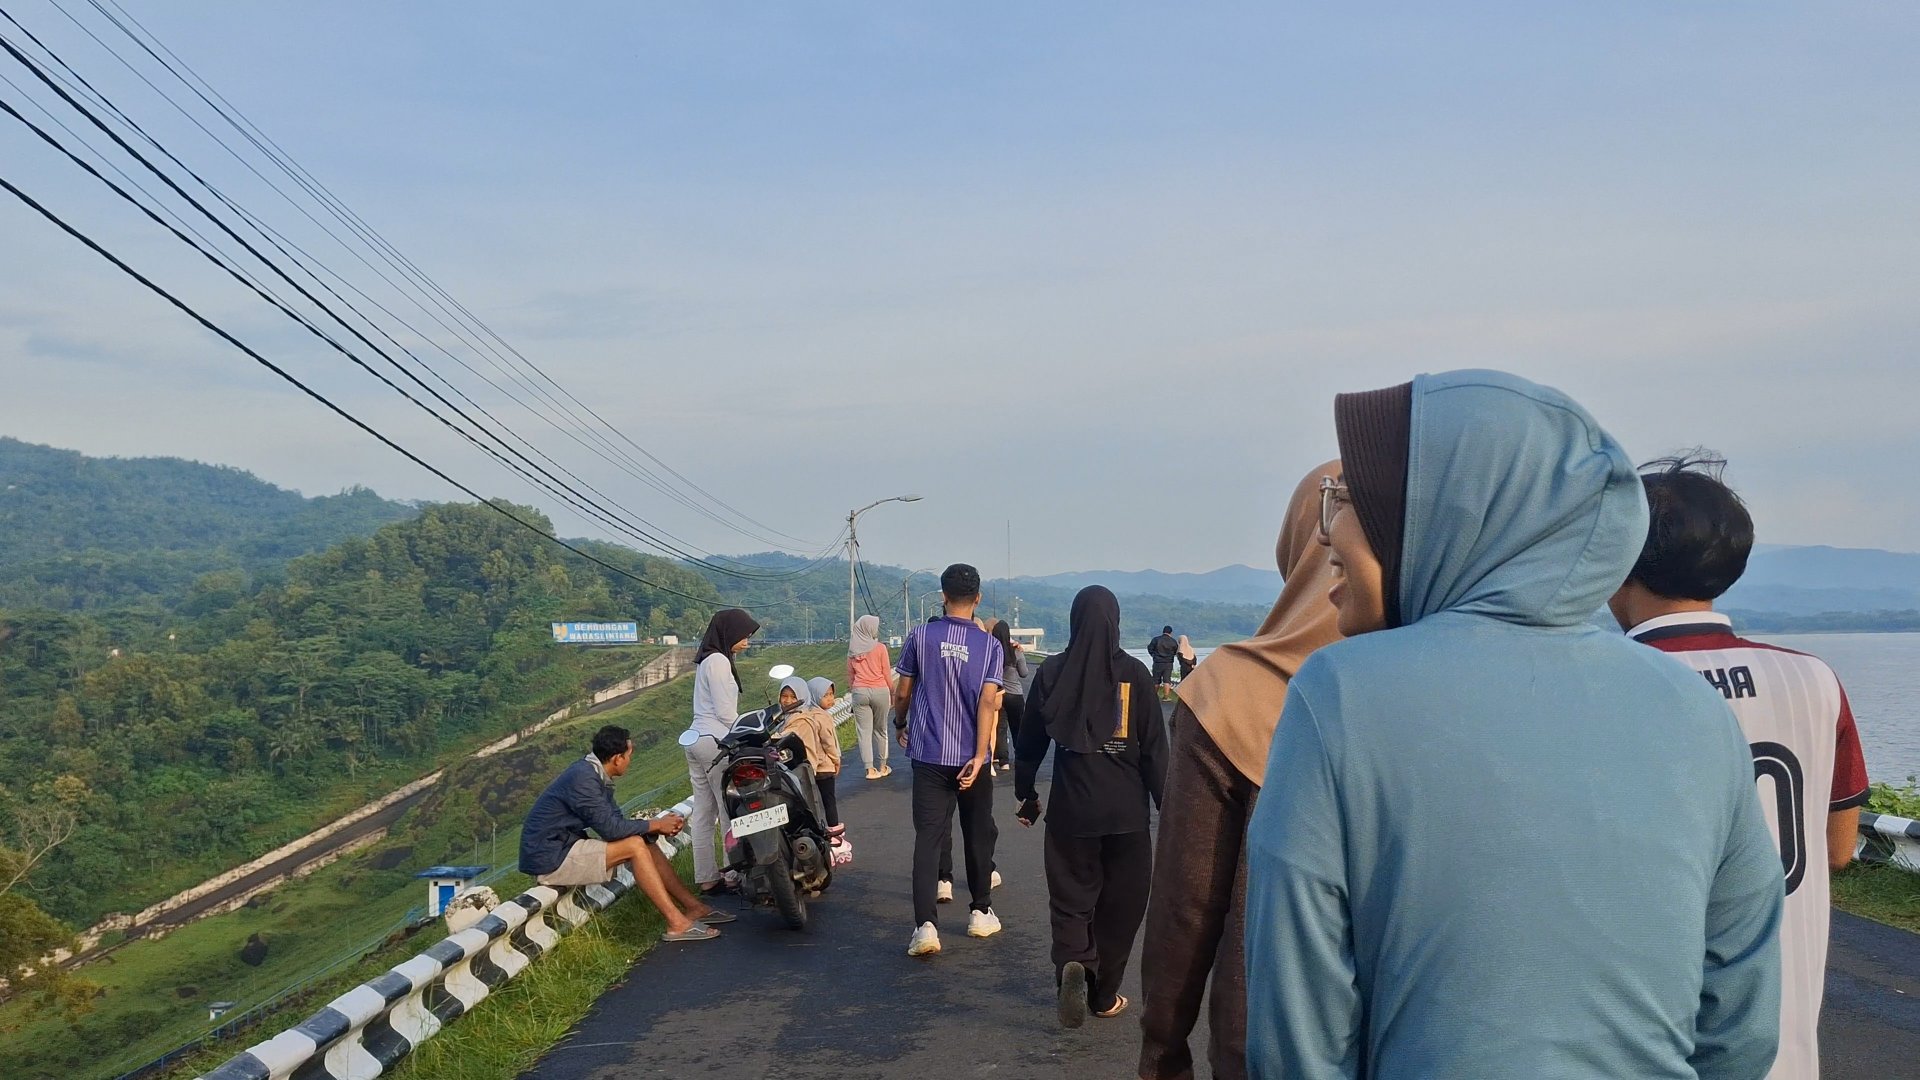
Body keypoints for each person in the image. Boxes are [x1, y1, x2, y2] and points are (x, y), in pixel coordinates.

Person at [1245, 371, 1784, 1079]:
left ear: (1455, 517)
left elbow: (1298, 1034)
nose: (1328, 530)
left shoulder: (1339, 694)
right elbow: (1739, 1023)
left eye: (1351, 500)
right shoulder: (1695, 712)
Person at [1610, 453, 1871, 1080]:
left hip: (1648, 1029)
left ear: (1614, 558)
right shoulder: (1813, 679)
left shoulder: (1604, 683)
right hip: (1787, 1029)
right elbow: (1838, 848)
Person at [1137, 461, 1343, 1080]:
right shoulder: (1443, 686)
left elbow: (1185, 904)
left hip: (1262, 1035)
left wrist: (1161, 1052)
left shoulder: (1232, 690)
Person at [1015, 585, 1167, 1028]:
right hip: (1126, 817)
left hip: (1070, 813)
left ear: (1074, 620)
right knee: (1123, 907)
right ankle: (1103, 995)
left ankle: (1072, 964)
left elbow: (1028, 745)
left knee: (1070, 902)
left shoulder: (1052, 673)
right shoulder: (1136, 675)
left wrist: (1027, 794)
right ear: (1114, 622)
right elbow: (1156, 752)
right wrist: (1170, 812)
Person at [519, 724, 733, 942]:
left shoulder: (594, 774)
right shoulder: (584, 780)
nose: (630, 761)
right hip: (550, 858)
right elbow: (611, 830)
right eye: (629, 755)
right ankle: (676, 923)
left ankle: (693, 907)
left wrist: (652, 828)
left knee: (642, 842)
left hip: (564, 845)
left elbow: (615, 824)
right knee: (634, 846)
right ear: (617, 758)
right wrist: (656, 825)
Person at [893, 563, 1005, 957]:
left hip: (927, 753)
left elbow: (904, 690)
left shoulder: (920, 636)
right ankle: (980, 912)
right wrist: (979, 755)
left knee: (928, 837)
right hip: (970, 759)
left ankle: (925, 926)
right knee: (976, 834)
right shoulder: (990, 645)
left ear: (943, 596)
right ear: (977, 598)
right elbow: (989, 701)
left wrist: (900, 722)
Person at [682, 608, 758, 896]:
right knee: (729, 807)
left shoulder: (707, 660)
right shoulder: (719, 661)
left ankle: (706, 876)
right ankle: (732, 873)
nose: (747, 641)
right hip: (716, 741)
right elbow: (726, 712)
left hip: (696, 739)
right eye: (743, 636)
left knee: (703, 811)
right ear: (729, 634)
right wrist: (748, 730)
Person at [804, 675, 854, 865]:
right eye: (826, 695)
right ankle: (834, 836)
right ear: (816, 696)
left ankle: (815, 836)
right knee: (829, 801)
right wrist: (836, 760)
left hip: (809, 767)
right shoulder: (822, 717)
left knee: (813, 802)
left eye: (832, 694)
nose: (831, 699)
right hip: (824, 766)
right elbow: (829, 742)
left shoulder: (805, 715)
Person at [847, 614, 894, 781]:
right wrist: (892, 692)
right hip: (880, 690)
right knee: (881, 730)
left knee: (864, 732)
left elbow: (851, 676)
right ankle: (883, 766)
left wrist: (855, 691)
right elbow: (887, 673)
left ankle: (869, 769)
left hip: (860, 691)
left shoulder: (853, 649)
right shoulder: (880, 648)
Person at [990, 619, 1031, 774]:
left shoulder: (993, 651)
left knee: (1000, 728)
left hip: (998, 694)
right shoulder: (1016, 651)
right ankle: (1020, 757)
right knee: (1018, 727)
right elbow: (1024, 673)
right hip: (1015, 695)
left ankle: (1003, 761)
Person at [1147, 626, 1178, 701]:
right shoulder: (1173, 641)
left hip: (1157, 662)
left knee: (1156, 680)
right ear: (1171, 633)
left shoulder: (1156, 639)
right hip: (1168, 663)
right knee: (1167, 680)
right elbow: (1175, 651)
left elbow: (1150, 648)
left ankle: (1153, 697)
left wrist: (1154, 655)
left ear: (1163, 631)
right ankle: (1166, 697)